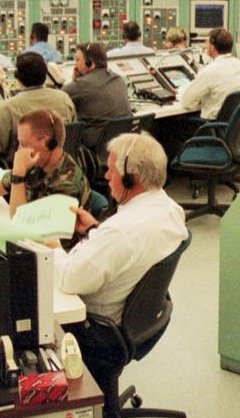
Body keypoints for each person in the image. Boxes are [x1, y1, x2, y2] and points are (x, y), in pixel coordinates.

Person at [45, 133, 188, 376]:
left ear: (131, 179)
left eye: (111, 170)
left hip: (98, 331)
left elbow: (69, 280)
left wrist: (54, 248)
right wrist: (94, 230)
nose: (106, 176)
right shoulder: (171, 210)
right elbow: (130, 248)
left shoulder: (120, 232)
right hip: (138, 321)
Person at [0, 51, 77, 161]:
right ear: (45, 74)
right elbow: (73, 130)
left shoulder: (8, 107)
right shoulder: (64, 98)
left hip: (22, 166)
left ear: (17, 77)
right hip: (60, 164)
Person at [178, 28, 240, 120]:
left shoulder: (209, 71)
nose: (205, 46)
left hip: (213, 124)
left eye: (207, 43)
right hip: (237, 124)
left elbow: (186, 102)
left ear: (212, 48)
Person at [63, 42, 132, 121]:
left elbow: (58, 98)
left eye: (77, 59)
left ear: (89, 63)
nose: (76, 64)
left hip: (94, 129)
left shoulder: (82, 84)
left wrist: (75, 80)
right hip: (123, 129)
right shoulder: (118, 79)